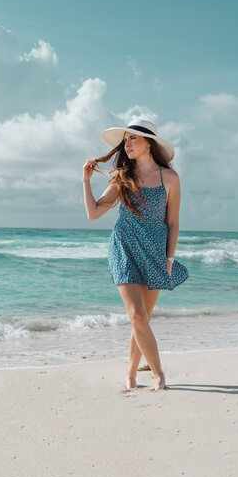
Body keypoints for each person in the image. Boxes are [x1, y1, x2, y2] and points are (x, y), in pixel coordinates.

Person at [82, 118, 189, 391]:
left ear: (148, 143)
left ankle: (130, 375)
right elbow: (93, 213)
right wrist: (85, 180)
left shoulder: (170, 179)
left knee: (143, 318)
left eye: (133, 139)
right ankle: (158, 374)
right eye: (126, 139)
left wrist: (169, 258)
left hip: (155, 252)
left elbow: (173, 223)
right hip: (125, 248)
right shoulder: (122, 178)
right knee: (137, 316)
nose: (127, 144)